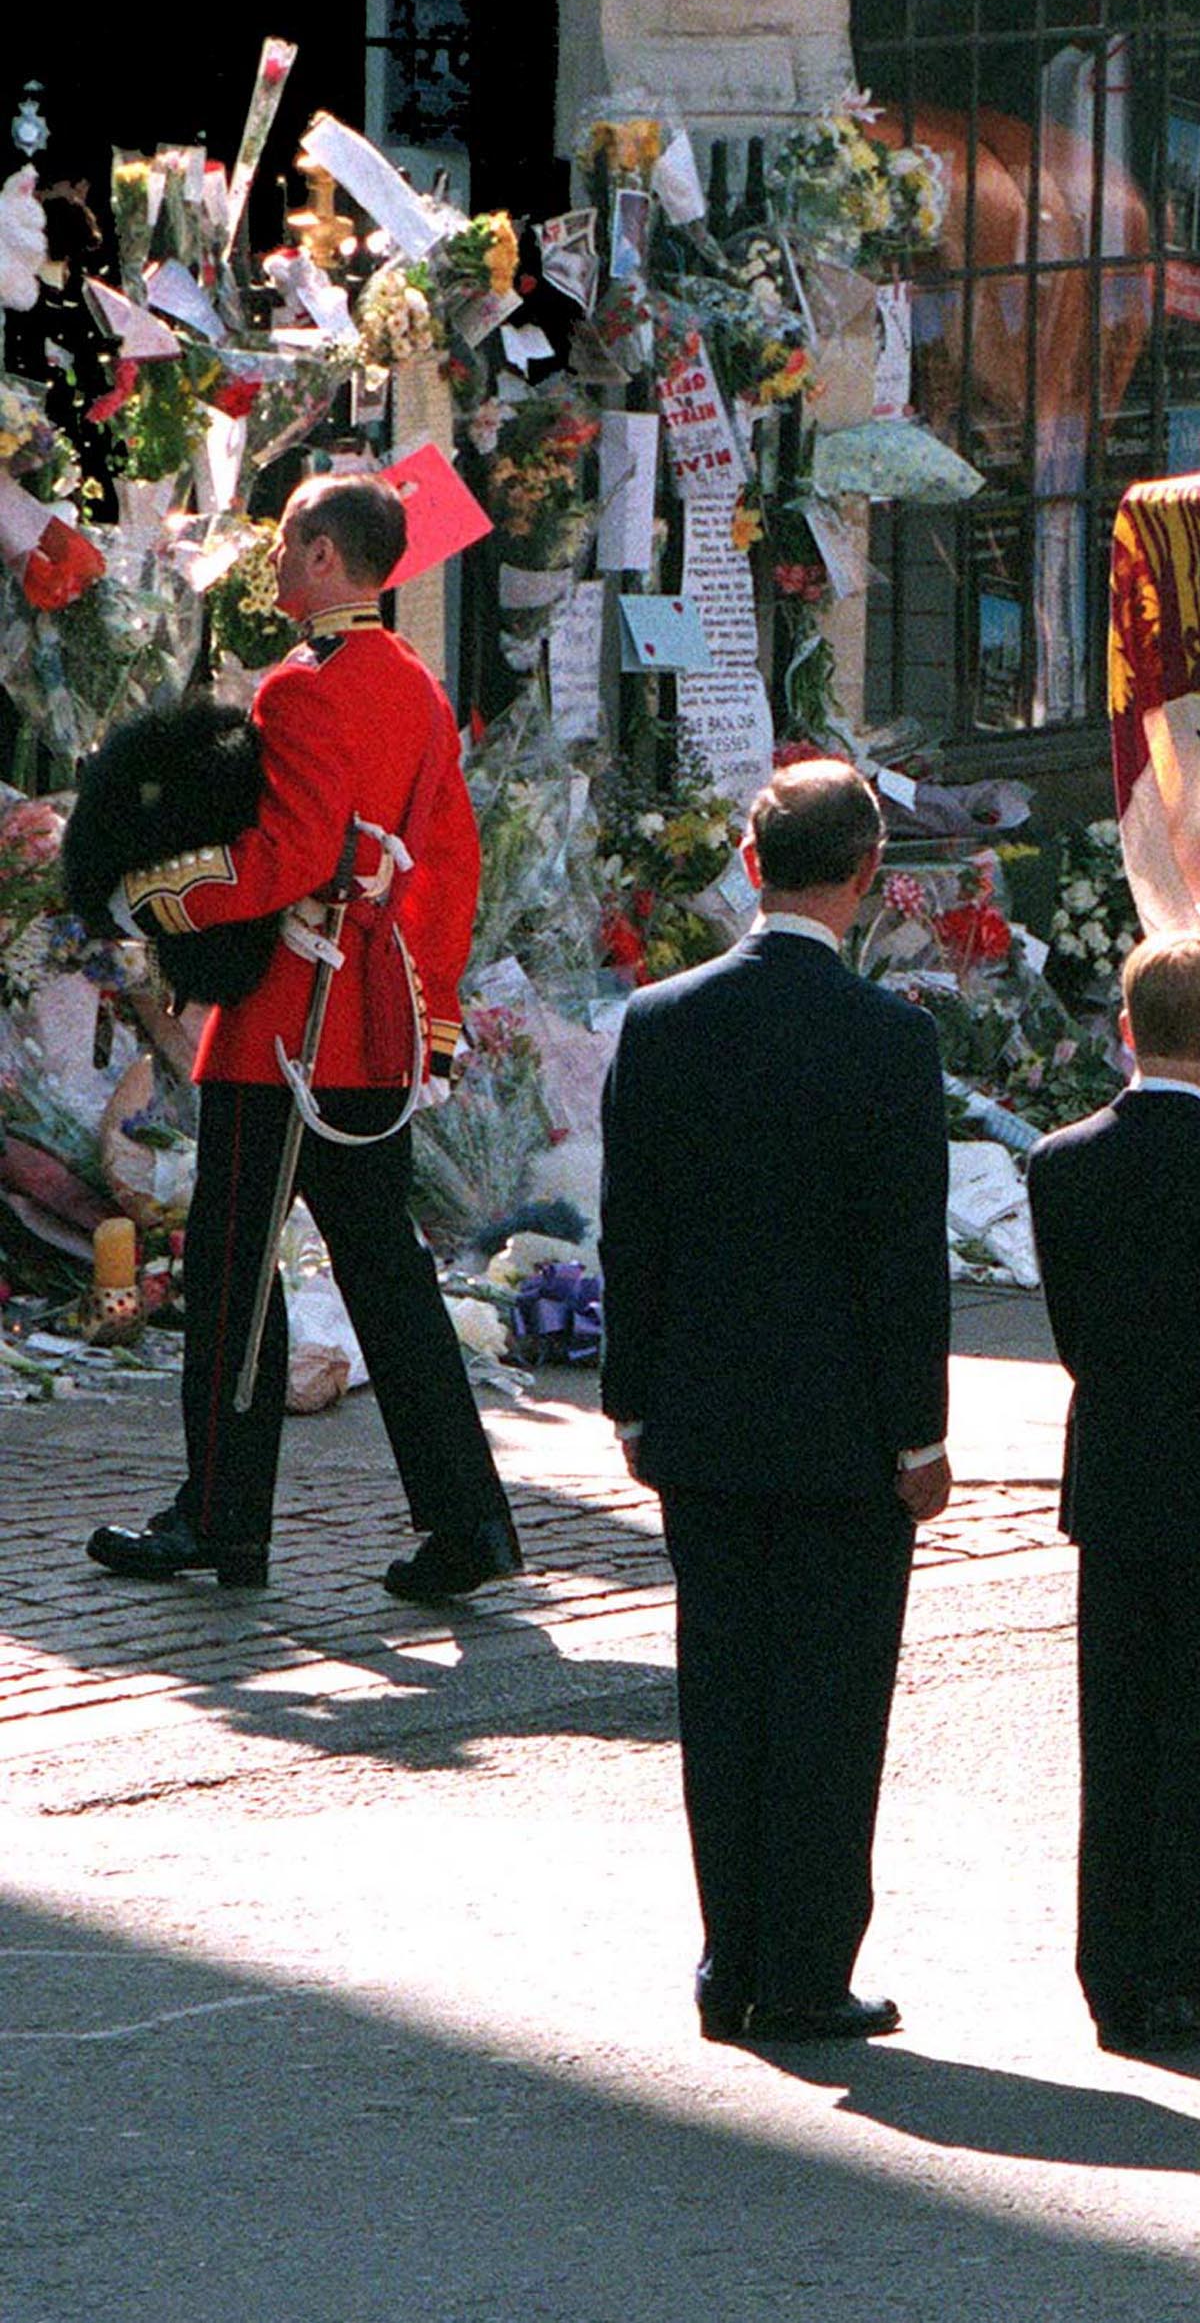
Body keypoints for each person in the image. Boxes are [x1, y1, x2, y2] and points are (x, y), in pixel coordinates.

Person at [87, 472, 518, 1605]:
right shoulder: (419, 689)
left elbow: (283, 857)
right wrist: (431, 1008)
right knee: (391, 1282)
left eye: (287, 546)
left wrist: (161, 894)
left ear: (327, 557)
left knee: (231, 1276)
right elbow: (449, 863)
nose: (275, 565)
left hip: (286, 1026)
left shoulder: (301, 688)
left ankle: (222, 1518)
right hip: (370, 1025)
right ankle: (469, 1521)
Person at [599, 760, 951, 2045]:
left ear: (753, 863)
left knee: (723, 1689)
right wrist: (923, 1434)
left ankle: (726, 1953)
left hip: (703, 1411)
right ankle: (807, 1963)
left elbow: (629, 1230)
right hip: (848, 1425)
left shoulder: (662, 1020)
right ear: (864, 875)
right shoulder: (890, 1038)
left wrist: (630, 1400)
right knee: (830, 1700)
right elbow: (905, 1261)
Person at [1029, 933, 1200, 2056]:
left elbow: (1073, 1334)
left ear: (1126, 1029)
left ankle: (1112, 1971)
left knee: (1118, 1730)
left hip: (1117, 1471)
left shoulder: (1061, 1160)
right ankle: (1184, 1973)